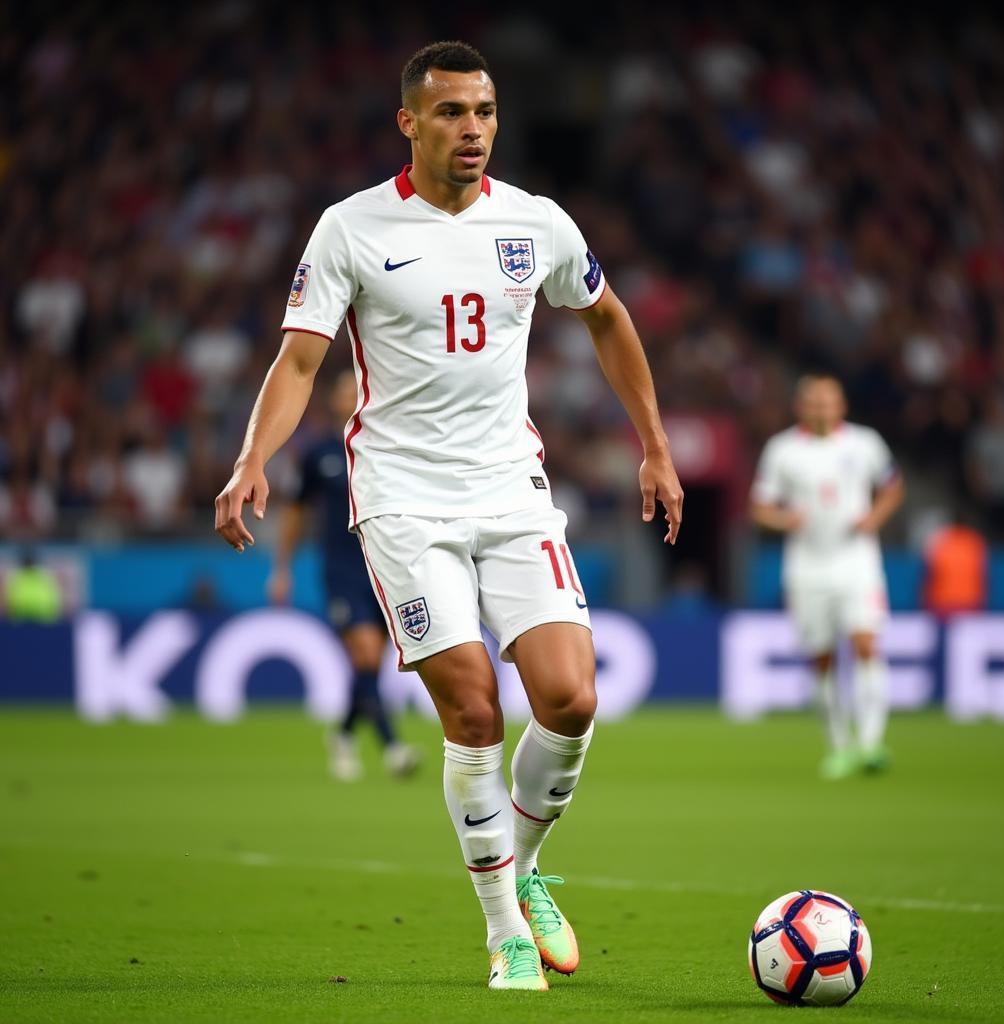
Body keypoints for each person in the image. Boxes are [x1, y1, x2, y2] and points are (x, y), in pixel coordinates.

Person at [215, 41, 683, 991]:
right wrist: (251, 459)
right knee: (473, 707)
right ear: (410, 123)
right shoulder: (351, 228)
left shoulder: (537, 223)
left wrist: (656, 446)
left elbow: (607, 318)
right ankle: (505, 927)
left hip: (512, 490)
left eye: (486, 112)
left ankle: (527, 861)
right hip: (402, 498)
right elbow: (301, 360)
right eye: (452, 113)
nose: (473, 130)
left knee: (572, 700)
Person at [268, 369, 421, 781]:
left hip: (386, 568)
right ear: (335, 400)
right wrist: (282, 569)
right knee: (367, 654)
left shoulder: (389, 448)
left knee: (372, 665)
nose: (353, 393)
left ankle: (342, 732)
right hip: (342, 570)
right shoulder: (320, 454)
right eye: (345, 387)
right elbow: (296, 512)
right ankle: (393, 748)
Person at [750, 374, 904, 779]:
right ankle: (839, 746)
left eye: (828, 402)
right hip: (807, 566)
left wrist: (875, 518)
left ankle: (871, 743)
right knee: (822, 657)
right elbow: (760, 508)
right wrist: (785, 519)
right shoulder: (783, 450)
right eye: (814, 402)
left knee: (867, 643)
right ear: (801, 407)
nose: (821, 409)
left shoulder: (865, 443)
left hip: (857, 562)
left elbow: (892, 486)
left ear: (842, 406)